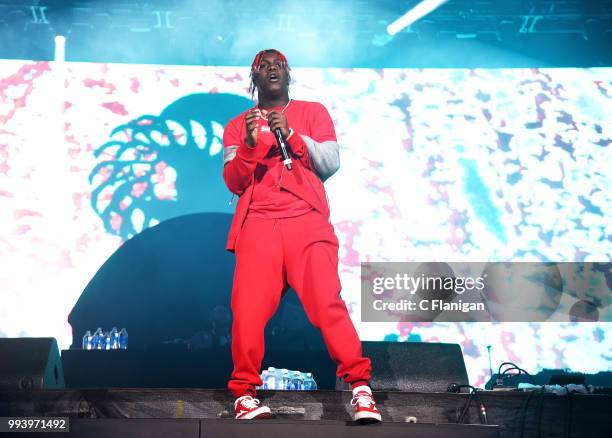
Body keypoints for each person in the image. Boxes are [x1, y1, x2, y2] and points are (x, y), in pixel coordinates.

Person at [222, 49, 381, 423]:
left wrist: (292, 135)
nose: (272, 68)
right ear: (254, 78)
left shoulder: (313, 112)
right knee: (247, 310)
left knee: (327, 303)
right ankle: (245, 394)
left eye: (279, 64)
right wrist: (247, 145)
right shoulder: (237, 124)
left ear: (289, 75)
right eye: (264, 66)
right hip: (258, 226)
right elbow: (233, 180)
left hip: (305, 221)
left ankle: (360, 390)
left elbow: (330, 162)